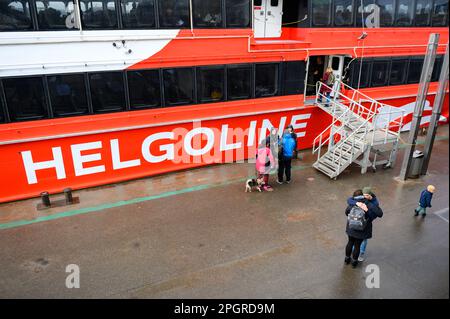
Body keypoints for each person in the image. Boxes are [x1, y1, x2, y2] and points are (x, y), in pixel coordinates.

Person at [345, 189, 384, 268]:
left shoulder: (352, 203)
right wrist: (368, 211)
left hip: (351, 228)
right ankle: (354, 262)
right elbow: (380, 214)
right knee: (357, 246)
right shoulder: (368, 204)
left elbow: (346, 212)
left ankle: (347, 259)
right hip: (362, 230)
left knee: (350, 242)